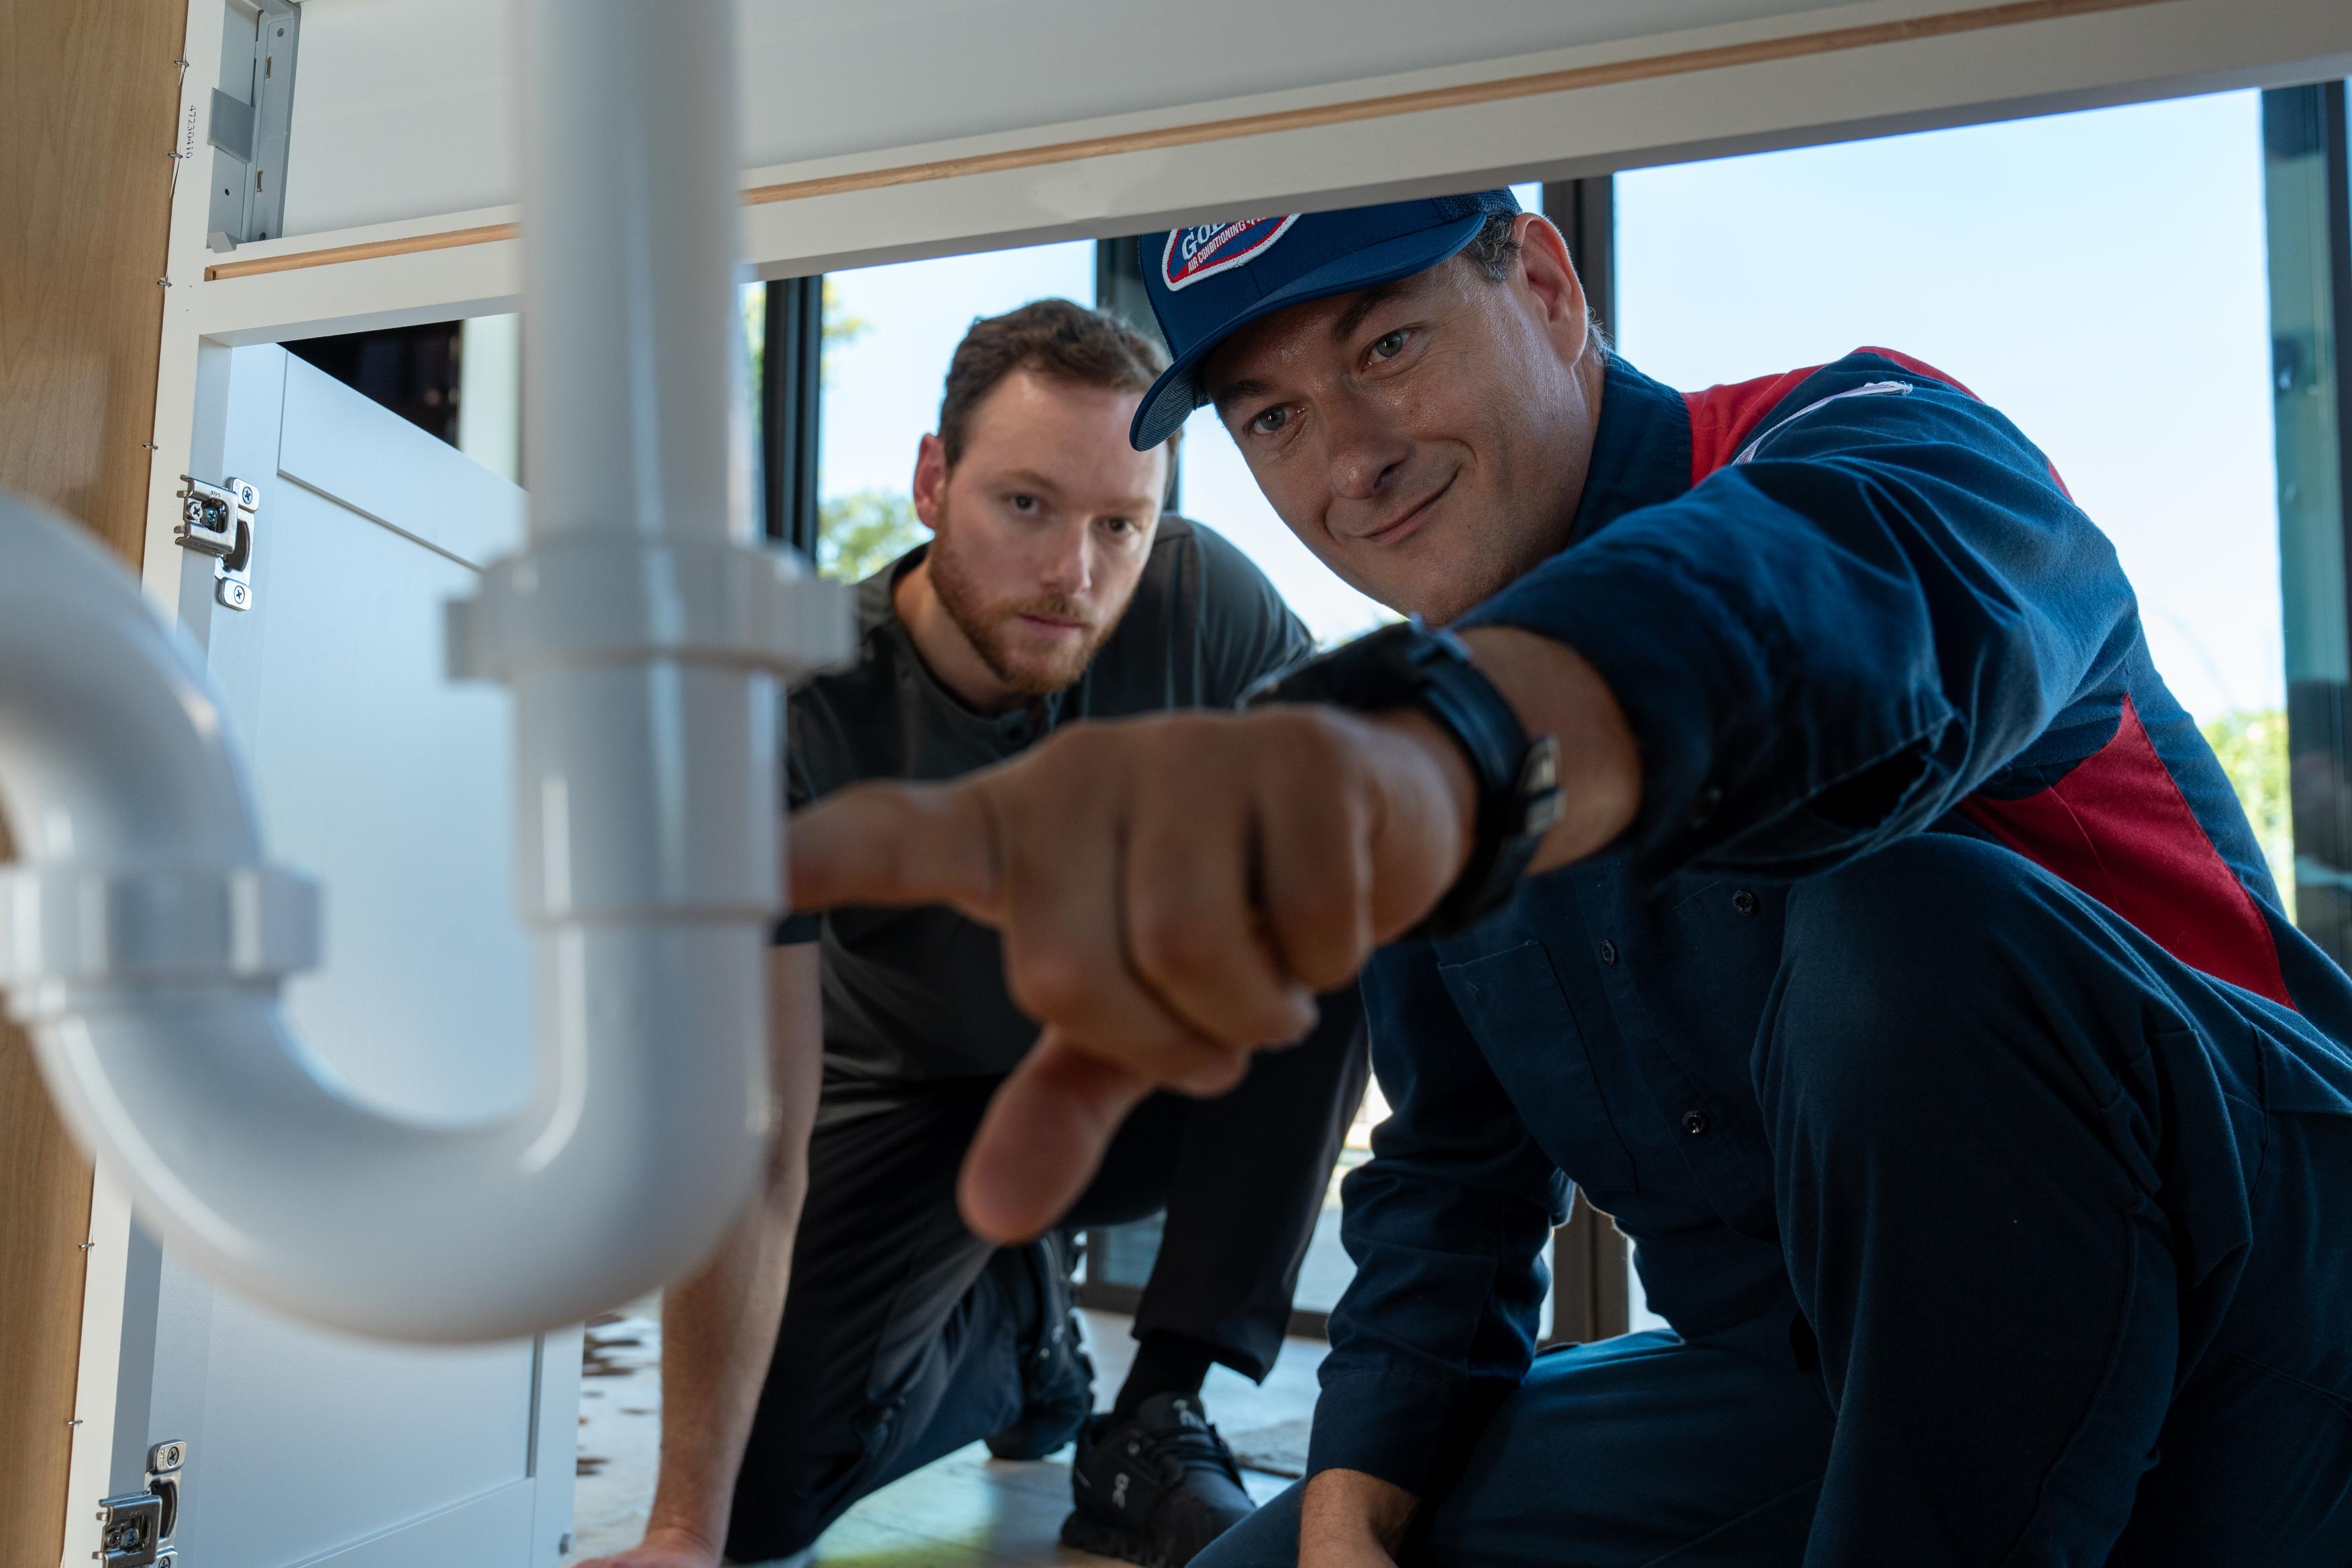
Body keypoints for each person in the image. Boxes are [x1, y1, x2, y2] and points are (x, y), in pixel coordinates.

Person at [784, 191, 2352, 1565]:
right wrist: (1348, 1513)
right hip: (1835, 1393)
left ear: (1544, 284)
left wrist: (1464, 746)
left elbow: (1837, 604)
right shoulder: (1421, 719)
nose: (1349, 460)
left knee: (1911, 924)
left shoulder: (1876, 442)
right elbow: (1455, 1184)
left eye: (1387, 346)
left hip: (2275, 1322)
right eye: (1272, 419)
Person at [581, 299, 1367, 1568]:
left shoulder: (1204, 605)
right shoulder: (786, 709)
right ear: (934, 482)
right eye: (1026, 506)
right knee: (762, 1503)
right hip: (903, 1106)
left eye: (1121, 522)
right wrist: (682, 1525)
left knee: (1336, 912)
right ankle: (1020, 1336)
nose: (1075, 572)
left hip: (1131, 1080)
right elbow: (757, 1138)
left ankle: (1155, 1412)